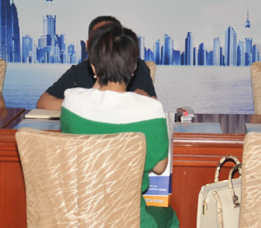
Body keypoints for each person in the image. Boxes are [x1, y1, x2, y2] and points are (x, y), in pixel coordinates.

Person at [61, 21, 178, 228]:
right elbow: (160, 167)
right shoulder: (151, 109)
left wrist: (99, 74)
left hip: (82, 220)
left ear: (92, 66)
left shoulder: (71, 102)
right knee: (169, 217)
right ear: (134, 67)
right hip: (132, 221)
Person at [36, 15, 157, 110]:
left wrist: (144, 101)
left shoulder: (140, 67)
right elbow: (43, 102)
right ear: (89, 45)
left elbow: (153, 104)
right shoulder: (79, 71)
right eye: (100, 42)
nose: (107, 48)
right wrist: (80, 104)